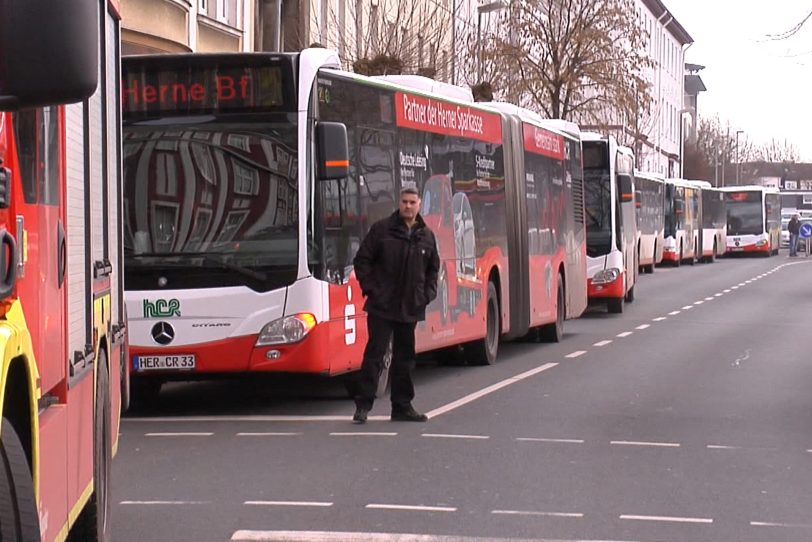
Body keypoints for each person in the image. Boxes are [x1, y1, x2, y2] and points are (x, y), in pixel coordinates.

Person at [351, 186, 440, 424]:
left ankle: (402, 406)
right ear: (399, 204)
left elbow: (433, 270)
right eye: (404, 202)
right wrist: (371, 289)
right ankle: (363, 406)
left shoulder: (426, 236)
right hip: (382, 306)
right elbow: (362, 261)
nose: (408, 206)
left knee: (405, 359)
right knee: (375, 356)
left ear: (420, 205)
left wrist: (426, 295)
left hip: (410, 307)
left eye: (412, 202)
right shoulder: (382, 230)